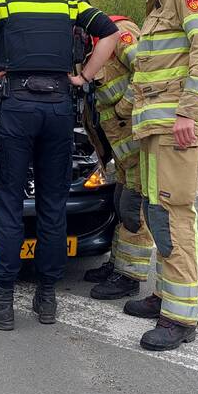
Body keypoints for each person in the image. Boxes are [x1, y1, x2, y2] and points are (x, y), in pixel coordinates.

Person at [0, 0, 120, 331]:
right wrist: (84, 76)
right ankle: (46, 299)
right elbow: (110, 33)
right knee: (53, 206)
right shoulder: (66, 0)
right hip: (59, 109)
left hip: (16, 107)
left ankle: (2, 303)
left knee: (9, 206)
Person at [121, 0, 198, 351]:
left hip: (174, 127)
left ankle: (180, 319)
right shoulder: (160, 0)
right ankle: (165, 296)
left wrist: (188, 112)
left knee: (174, 216)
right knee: (156, 213)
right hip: (154, 131)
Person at [81, 16, 156, 300]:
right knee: (119, 203)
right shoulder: (87, 46)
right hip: (122, 151)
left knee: (132, 209)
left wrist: (124, 108)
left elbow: (145, 71)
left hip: (137, 142)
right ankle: (117, 265)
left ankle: (130, 277)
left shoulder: (119, 33)